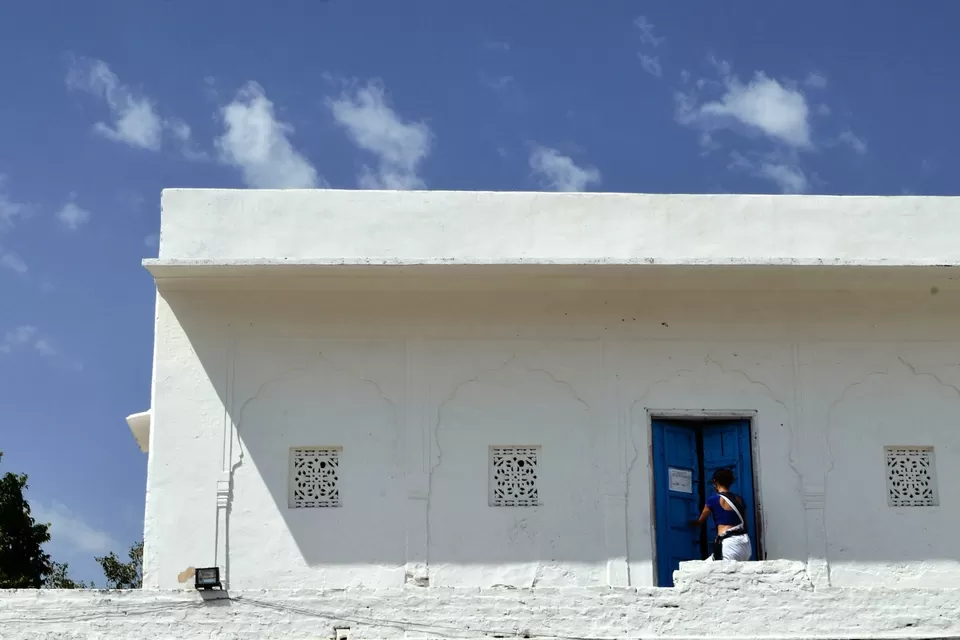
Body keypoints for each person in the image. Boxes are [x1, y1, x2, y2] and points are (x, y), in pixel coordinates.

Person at [688, 468, 752, 561]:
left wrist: (687, 522)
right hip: (745, 545)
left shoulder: (713, 500)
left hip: (729, 545)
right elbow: (745, 524)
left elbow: (699, 522)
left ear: (715, 482)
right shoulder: (740, 500)